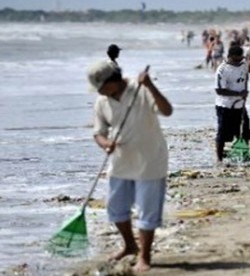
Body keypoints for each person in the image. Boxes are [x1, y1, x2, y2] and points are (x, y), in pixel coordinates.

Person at [87, 60, 173, 272]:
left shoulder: (141, 90)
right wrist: (105, 144)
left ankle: (145, 255)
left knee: (148, 209)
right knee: (116, 207)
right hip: (121, 161)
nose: (100, 92)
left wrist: (151, 86)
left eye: (102, 86)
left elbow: (167, 110)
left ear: (113, 81)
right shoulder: (102, 101)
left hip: (150, 159)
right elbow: (98, 132)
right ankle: (129, 245)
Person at [214, 46, 250, 162]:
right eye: (236, 59)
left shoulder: (242, 64)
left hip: (240, 105)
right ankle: (219, 159)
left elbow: (249, 70)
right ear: (230, 57)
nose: (239, 61)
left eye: (240, 59)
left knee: (244, 131)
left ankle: (243, 154)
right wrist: (238, 94)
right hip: (225, 106)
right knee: (222, 133)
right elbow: (219, 90)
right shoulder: (222, 70)